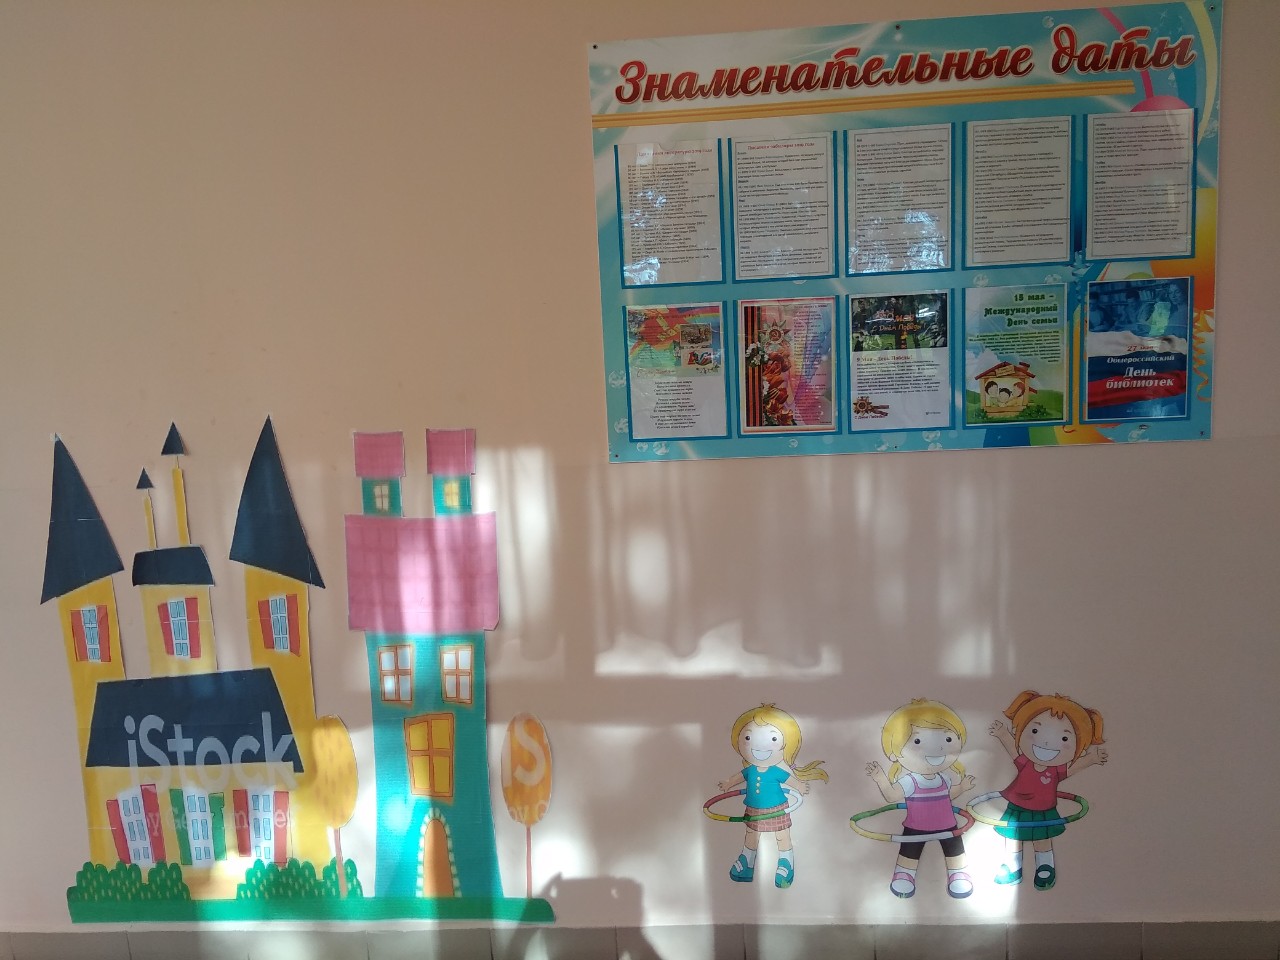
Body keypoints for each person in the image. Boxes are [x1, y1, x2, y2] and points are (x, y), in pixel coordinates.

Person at [988, 690, 1108, 891]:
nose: (1045, 742)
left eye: (1064, 738)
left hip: (1043, 809)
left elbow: (1074, 768)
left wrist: (1091, 759)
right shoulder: (1025, 763)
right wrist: (1002, 734)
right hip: (1017, 807)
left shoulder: (1056, 771)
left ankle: (1045, 866)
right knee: (1013, 837)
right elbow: (1012, 749)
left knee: (1042, 838)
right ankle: (1012, 866)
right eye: (1035, 731)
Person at [865, 699, 976, 899]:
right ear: (895, 752)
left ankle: (958, 874)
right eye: (917, 742)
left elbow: (948, 796)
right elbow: (892, 796)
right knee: (910, 850)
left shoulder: (944, 778)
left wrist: (962, 787)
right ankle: (904, 875)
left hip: (947, 824)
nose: (936, 749)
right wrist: (880, 778)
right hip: (916, 826)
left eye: (947, 739)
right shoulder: (910, 781)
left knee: (954, 850)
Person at [717, 704, 827, 888]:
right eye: (748, 737)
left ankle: (786, 862)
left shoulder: (776, 771)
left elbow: (789, 780)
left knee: (782, 835)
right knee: (751, 834)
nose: (760, 746)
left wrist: (799, 786)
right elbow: (739, 777)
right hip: (754, 808)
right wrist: (728, 783)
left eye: (773, 738)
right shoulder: (750, 770)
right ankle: (747, 861)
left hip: (776, 808)